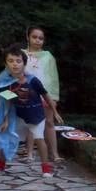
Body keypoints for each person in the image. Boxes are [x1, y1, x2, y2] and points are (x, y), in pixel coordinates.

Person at [0, 44, 60, 177]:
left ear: (24, 63)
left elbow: (45, 95)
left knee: (39, 139)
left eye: (18, 61)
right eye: (10, 61)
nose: (15, 64)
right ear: (6, 63)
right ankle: (0, 165)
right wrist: (5, 120)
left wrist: (55, 112)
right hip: (18, 115)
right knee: (7, 137)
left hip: (35, 115)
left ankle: (46, 169)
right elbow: (7, 102)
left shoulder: (33, 81)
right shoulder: (5, 84)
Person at [22, 24, 61, 164]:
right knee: (32, 122)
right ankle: (30, 153)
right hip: (27, 93)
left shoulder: (48, 56)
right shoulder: (21, 54)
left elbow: (53, 77)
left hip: (46, 93)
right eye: (34, 37)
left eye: (41, 38)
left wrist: (53, 97)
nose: (38, 40)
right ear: (28, 37)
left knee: (49, 122)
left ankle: (55, 154)